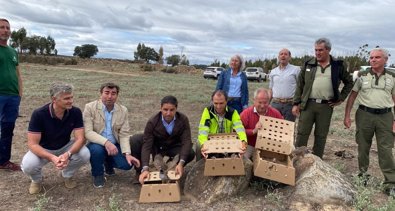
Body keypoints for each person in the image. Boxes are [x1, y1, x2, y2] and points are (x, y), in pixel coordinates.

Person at [21, 82, 90, 194]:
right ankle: (36, 180)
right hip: (44, 148)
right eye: (66, 98)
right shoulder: (39, 114)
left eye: (71, 97)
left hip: (65, 146)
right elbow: (32, 144)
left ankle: (67, 175)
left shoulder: (75, 112)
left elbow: (80, 139)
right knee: (29, 165)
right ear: (54, 99)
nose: (71, 101)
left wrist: (68, 154)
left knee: (84, 154)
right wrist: (52, 157)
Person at [344, 48, 395, 195]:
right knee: (363, 146)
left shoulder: (392, 77)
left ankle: (390, 183)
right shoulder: (362, 75)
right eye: (371, 57)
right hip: (364, 115)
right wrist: (347, 115)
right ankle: (362, 176)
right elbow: (353, 96)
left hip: (385, 117)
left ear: (385, 59)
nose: (373, 60)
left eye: (377, 57)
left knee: (386, 149)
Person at [292, 38, 353, 158]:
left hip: (326, 106)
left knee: (321, 135)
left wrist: (340, 98)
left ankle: (317, 162)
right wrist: (296, 103)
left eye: (320, 50)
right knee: (302, 133)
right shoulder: (308, 64)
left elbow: (349, 82)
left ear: (328, 50)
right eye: (316, 50)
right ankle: (297, 160)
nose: (317, 53)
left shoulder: (337, 65)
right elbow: (300, 84)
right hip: (308, 105)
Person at [84, 83, 140, 188]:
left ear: (117, 95)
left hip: (114, 144)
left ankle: (108, 163)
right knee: (97, 150)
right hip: (97, 143)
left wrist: (127, 153)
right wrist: (106, 143)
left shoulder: (123, 110)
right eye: (106, 93)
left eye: (113, 93)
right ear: (101, 94)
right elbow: (88, 132)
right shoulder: (90, 107)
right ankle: (98, 174)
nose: (110, 96)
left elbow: (124, 134)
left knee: (127, 165)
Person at [130, 96, 195, 184]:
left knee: (190, 153)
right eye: (165, 109)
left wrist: (181, 163)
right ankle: (140, 171)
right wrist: (145, 168)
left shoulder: (183, 119)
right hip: (157, 146)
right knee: (135, 139)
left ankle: (173, 167)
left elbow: (186, 141)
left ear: (176, 109)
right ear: (160, 108)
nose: (168, 113)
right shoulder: (152, 121)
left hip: (173, 146)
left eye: (172, 110)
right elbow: (147, 145)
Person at [0, 18, 23, 171]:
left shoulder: (13, 51)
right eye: (2, 27)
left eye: (7, 27)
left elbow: (18, 73)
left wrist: (20, 93)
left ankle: (4, 161)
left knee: (8, 129)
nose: (5, 30)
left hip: (12, 97)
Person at [197, 90, 247, 160]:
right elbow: (203, 130)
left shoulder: (233, 112)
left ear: (226, 101)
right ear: (212, 101)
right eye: (216, 103)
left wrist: (243, 141)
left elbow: (240, 129)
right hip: (211, 141)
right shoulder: (207, 111)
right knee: (198, 144)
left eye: (221, 103)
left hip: (227, 141)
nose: (218, 106)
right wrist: (203, 144)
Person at [240, 88, 283, 159]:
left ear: (269, 102)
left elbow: (282, 129)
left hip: (268, 145)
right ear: (254, 100)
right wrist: (253, 131)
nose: (262, 106)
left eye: (265, 103)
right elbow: (237, 131)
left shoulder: (275, 113)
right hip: (250, 145)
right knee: (242, 160)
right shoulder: (246, 114)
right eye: (259, 102)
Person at [269, 48, 301, 121]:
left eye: (286, 54)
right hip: (275, 104)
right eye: (281, 54)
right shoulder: (273, 72)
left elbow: (300, 88)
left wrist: (297, 105)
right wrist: (267, 104)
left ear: (289, 57)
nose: (283, 56)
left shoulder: (296, 70)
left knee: (288, 129)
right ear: (278, 57)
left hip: (290, 105)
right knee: (274, 128)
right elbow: (270, 89)